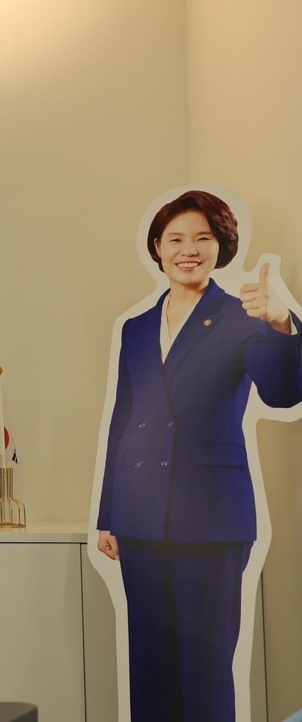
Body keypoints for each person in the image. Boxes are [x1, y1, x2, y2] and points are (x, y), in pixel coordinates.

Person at [94, 189, 301, 722]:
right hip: (140, 519)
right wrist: (109, 514)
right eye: (176, 239)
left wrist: (281, 323)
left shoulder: (243, 316)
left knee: (205, 673)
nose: (188, 250)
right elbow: (123, 418)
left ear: (221, 246)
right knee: (151, 671)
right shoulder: (137, 327)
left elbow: (284, 393)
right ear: (157, 248)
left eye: (202, 238)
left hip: (211, 520)